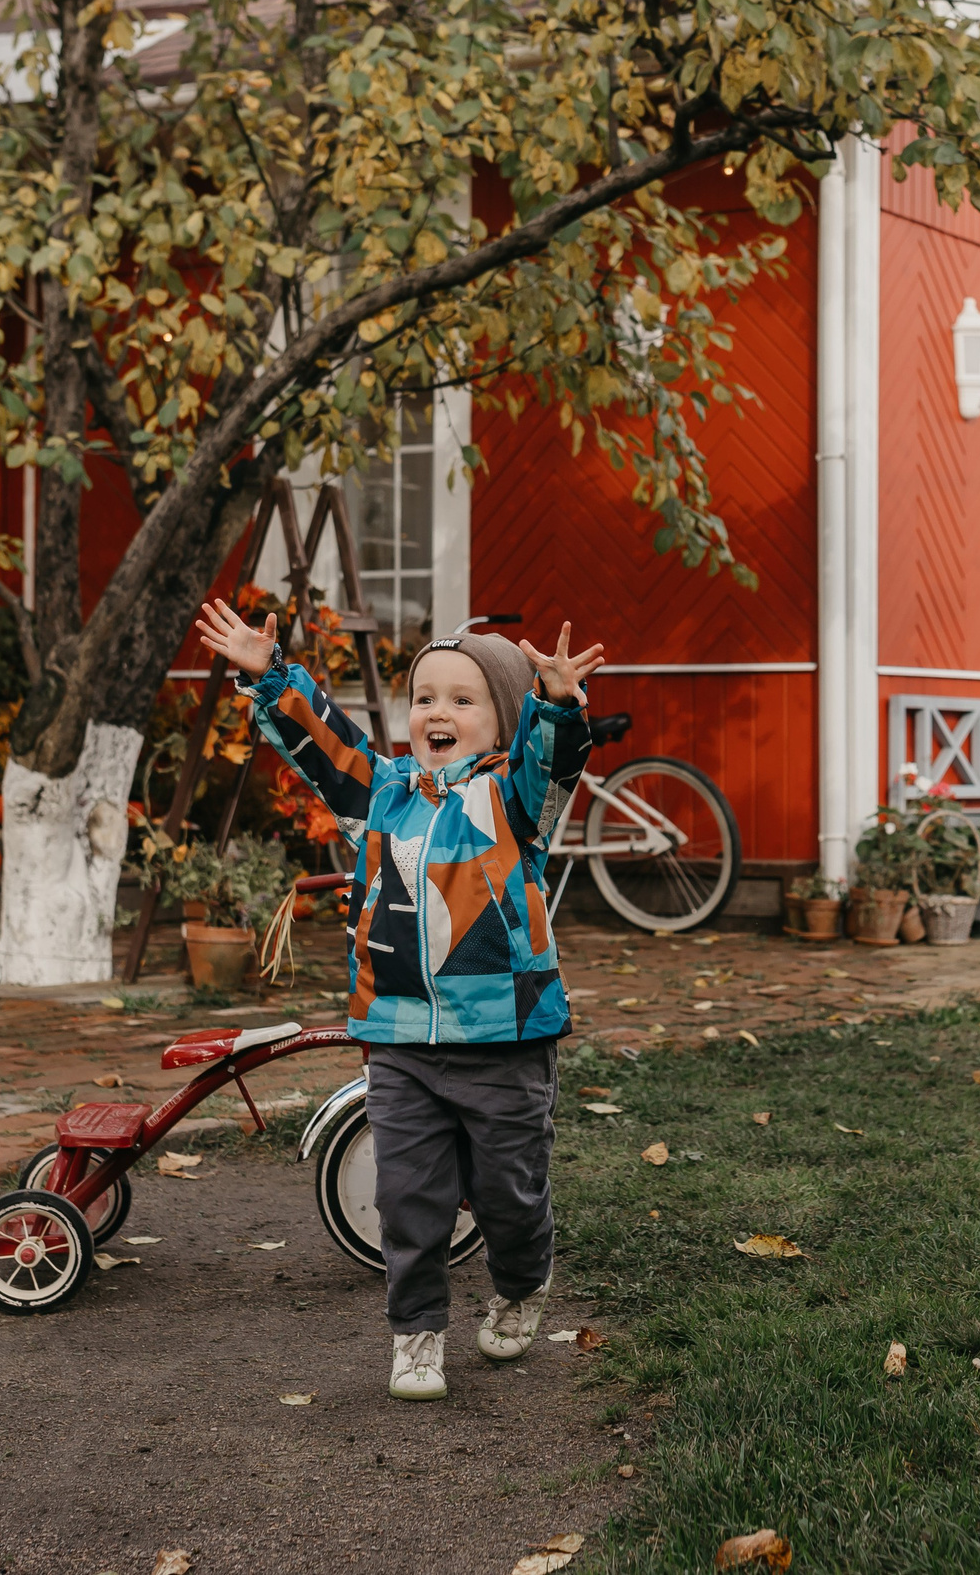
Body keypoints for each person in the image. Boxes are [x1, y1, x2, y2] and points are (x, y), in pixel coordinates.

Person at [193, 598, 605, 1401]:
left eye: (462, 698)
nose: (437, 712)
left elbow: (554, 764)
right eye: (424, 697)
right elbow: (326, 749)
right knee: (405, 1198)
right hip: (400, 1038)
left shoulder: (518, 803)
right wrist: (272, 677)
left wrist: (556, 704)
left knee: (508, 1196)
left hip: (506, 1039)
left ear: (503, 718)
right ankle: (417, 1333)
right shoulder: (382, 794)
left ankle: (522, 1283)